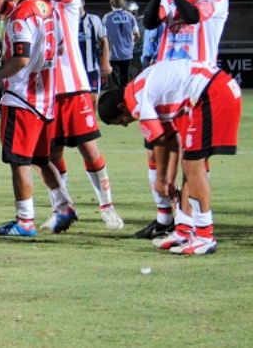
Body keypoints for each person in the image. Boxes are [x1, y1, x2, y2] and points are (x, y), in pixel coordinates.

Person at [2, 0, 121, 231]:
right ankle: (63, 207)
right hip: (46, 93)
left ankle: (107, 207)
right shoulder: (32, 4)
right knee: (49, 155)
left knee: (89, 149)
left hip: (75, 87)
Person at [133, 0, 229, 239]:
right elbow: (150, 22)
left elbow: (191, 16)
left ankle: (191, 222)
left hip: (195, 91)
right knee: (156, 153)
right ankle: (165, 220)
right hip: (165, 89)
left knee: (191, 161)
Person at [98, 59, 241, 255]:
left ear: (122, 107)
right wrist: (169, 180)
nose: (125, 124)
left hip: (211, 92)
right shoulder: (138, 89)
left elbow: (159, 141)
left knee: (193, 164)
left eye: (121, 121)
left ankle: (205, 236)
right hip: (209, 90)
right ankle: (184, 230)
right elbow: (171, 140)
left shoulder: (136, 100)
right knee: (189, 163)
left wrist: (161, 180)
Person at [0, 0, 70, 238]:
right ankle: (64, 205)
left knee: (19, 161)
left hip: (22, 97)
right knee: (41, 158)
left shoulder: (22, 14)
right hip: (46, 98)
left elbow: (20, 59)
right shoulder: (48, 8)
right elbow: (58, 49)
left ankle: (25, 221)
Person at [77, 0, 111, 105]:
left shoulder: (94, 20)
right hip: (75, 69)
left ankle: (91, 122)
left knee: (93, 99)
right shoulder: (68, 21)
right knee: (77, 100)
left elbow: (104, 41)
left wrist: (105, 62)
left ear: (83, 2)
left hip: (91, 68)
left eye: (78, 2)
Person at [103, 0, 140, 89]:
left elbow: (103, 37)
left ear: (111, 3)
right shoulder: (130, 16)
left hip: (113, 55)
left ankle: (115, 103)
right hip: (127, 54)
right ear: (123, 4)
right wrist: (131, 43)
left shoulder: (107, 17)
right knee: (126, 84)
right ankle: (126, 103)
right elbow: (137, 35)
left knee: (114, 85)